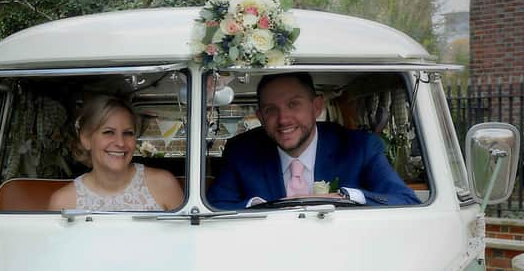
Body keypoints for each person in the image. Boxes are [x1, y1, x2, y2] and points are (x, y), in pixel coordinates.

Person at [207, 72, 421, 210]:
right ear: (261, 117)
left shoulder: (359, 147)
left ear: (316, 107)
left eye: (293, 105)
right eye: (271, 110)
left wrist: (344, 197)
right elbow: (215, 207)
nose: (283, 120)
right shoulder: (241, 152)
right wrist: (259, 206)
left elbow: (406, 201)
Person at [48, 94, 183, 211]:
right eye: (108, 132)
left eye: (128, 133)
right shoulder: (62, 202)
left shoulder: (164, 184)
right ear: (86, 139)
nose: (120, 143)